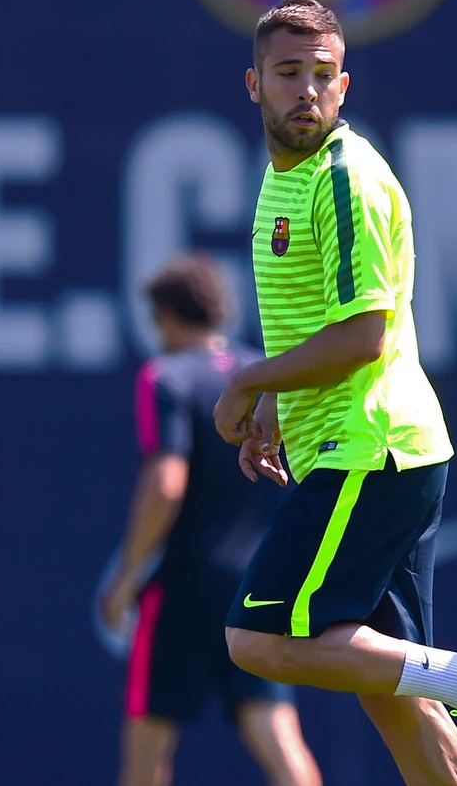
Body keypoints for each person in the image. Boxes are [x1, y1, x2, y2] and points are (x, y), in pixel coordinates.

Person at [211, 0, 457, 786]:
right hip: (381, 446)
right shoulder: (284, 178)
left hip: (372, 446)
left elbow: (365, 334)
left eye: (322, 75)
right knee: (393, 690)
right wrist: (274, 403)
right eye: (288, 73)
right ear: (252, 84)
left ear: (345, 84)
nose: (306, 90)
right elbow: (316, 329)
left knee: (256, 639)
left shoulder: (344, 178)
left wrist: (251, 377)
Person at [100, 254, 322, 786]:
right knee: (275, 729)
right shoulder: (261, 376)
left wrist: (128, 575)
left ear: (166, 317)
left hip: (182, 588)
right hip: (257, 583)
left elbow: (166, 482)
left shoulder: (165, 376)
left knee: (147, 744)